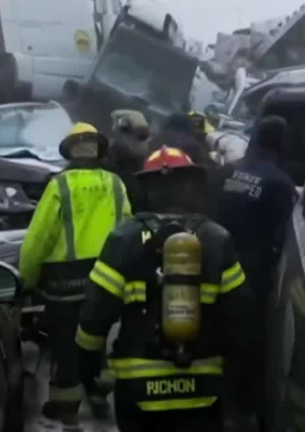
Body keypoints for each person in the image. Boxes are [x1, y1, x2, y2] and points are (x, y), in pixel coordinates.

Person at [75, 145, 257, 432]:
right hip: (202, 387)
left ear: (147, 188)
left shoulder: (124, 239)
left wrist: (88, 370)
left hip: (138, 391)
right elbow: (242, 317)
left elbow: (94, 317)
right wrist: (239, 391)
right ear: (191, 186)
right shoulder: (216, 238)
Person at [20, 122, 132, 426]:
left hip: (63, 281)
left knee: (65, 343)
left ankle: (65, 407)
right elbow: (128, 228)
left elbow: (38, 238)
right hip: (107, 276)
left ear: (69, 152)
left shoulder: (61, 185)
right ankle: (98, 393)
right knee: (96, 335)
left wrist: (26, 278)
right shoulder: (115, 184)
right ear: (100, 150)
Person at [216, 115, 297, 427]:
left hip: (215, 263)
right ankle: (243, 409)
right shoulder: (280, 183)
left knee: (217, 332)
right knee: (250, 342)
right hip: (254, 275)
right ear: (280, 142)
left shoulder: (226, 171)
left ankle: (218, 400)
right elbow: (283, 240)